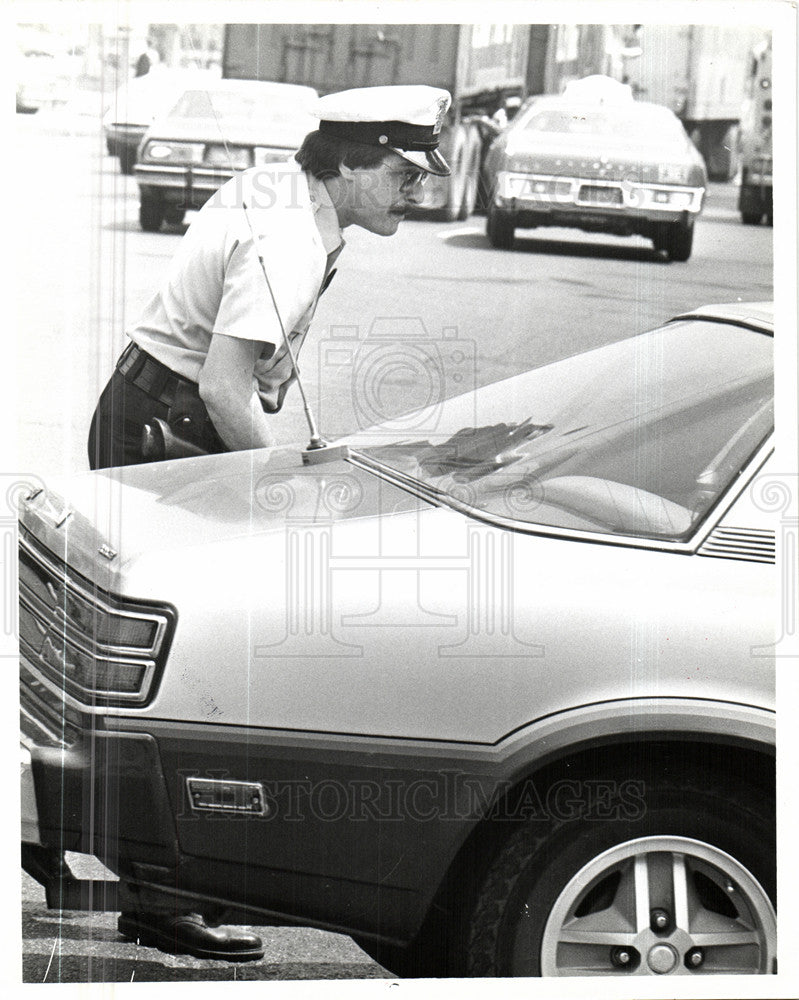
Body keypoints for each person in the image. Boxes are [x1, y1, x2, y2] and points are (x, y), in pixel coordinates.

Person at [86, 84, 451, 961]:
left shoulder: (288, 195)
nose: (417, 188)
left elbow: (241, 352)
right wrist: (286, 494)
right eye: (403, 172)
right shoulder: (291, 233)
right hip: (168, 426)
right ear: (353, 163)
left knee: (184, 656)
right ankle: (165, 891)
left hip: (154, 406)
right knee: (201, 659)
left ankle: (161, 881)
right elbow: (220, 386)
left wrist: (277, 379)